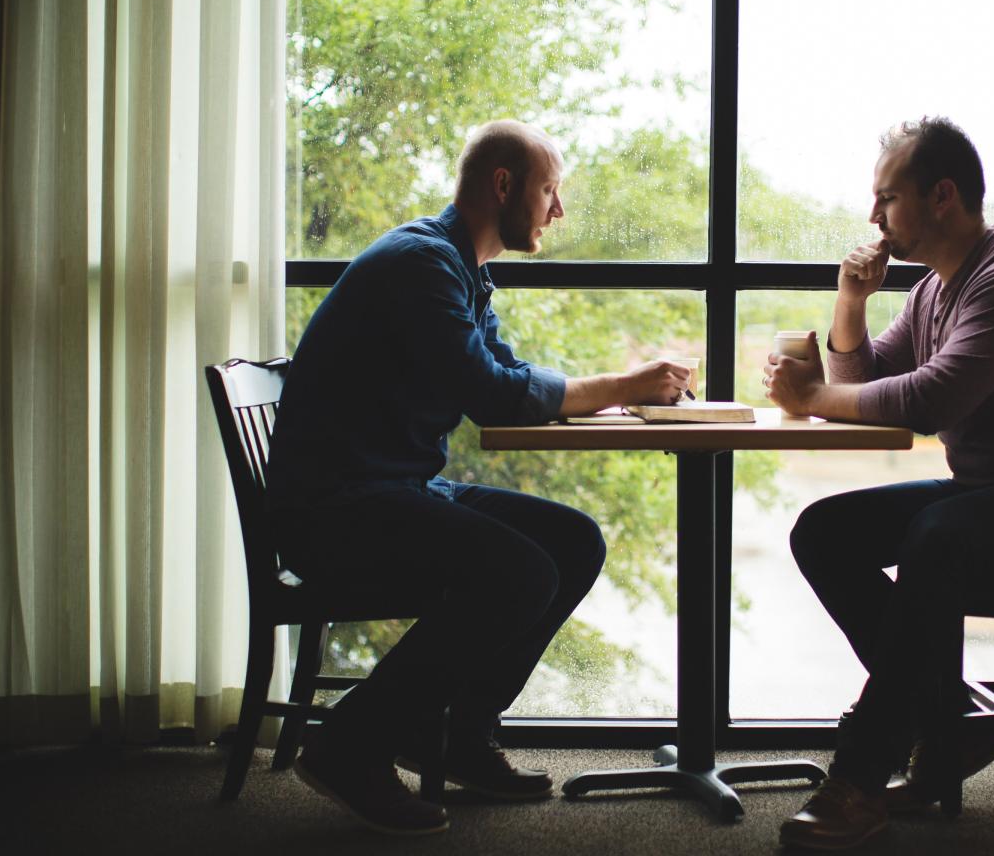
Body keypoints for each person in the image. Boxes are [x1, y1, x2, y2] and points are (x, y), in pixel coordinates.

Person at [266, 120, 691, 836]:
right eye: (550, 190)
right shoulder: (422, 265)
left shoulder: (459, 269)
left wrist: (621, 390)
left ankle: (458, 733)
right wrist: (624, 385)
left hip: (392, 488)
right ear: (504, 185)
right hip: (338, 510)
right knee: (522, 573)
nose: (558, 210)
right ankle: (351, 744)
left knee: (574, 541)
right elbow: (494, 395)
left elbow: (508, 374)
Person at [763, 117, 994, 851]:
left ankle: (861, 775)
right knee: (825, 531)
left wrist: (811, 399)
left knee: (937, 535)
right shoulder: (936, 289)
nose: (872, 216)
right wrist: (850, 302)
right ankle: (951, 723)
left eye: (886, 198)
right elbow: (870, 379)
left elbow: (928, 401)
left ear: (941, 196)